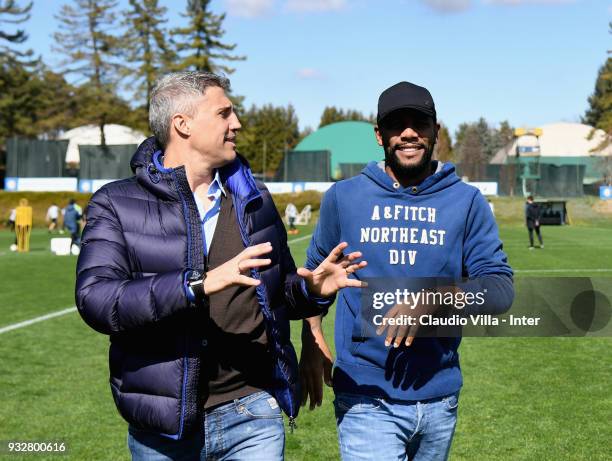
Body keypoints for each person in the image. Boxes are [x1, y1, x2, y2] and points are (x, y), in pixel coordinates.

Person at [75, 71, 365, 461]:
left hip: (252, 412)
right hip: (163, 427)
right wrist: (196, 284)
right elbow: (98, 300)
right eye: (224, 113)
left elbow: (278, 295)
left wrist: (311, 291)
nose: (237, 124)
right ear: (183, 124)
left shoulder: (254, 198)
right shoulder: (115, 203)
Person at [300, 81, 514, 460]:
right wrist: (312, 336)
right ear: (379, 135)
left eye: (420, 123)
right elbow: (314, 279)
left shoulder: (466, 202)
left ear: (436, 132)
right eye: (398, 124)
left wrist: (437, 298)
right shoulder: (343, 198)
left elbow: (499, 290)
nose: (409, 133)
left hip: (439, 397)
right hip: (366, 398)